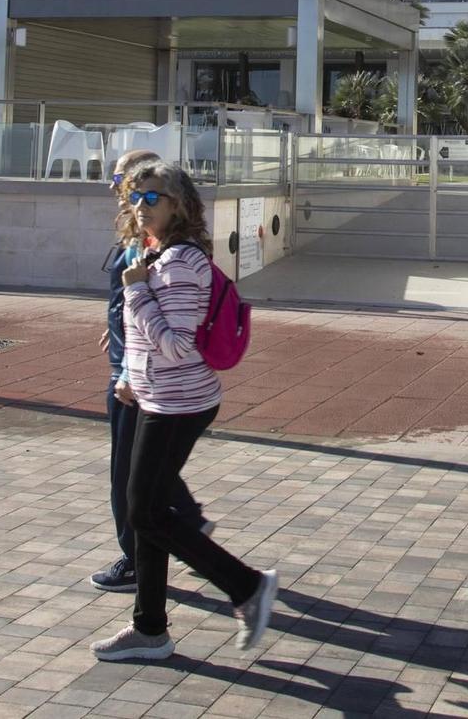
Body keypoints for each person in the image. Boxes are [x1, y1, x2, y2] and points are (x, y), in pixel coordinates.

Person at [91, 162, 279, 662]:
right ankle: (150, 629)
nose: (139, 207)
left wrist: (134, 289)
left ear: (177, 203)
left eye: (151, 198)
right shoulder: (159, 254)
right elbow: (148, 338)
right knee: (149, 513)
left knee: (144, 511)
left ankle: (247, 587)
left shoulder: (178, 263)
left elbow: (176, 346)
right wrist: (130, 377)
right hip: (159, 397)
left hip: (179, 404)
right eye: (135, 197)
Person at [90, 148, 205, 593]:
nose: (130, 198)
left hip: (140, 379)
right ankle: (183, 543)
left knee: (133, 488)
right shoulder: (142, 234)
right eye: (125, 188)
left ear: (173, 199)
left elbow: (173, 333)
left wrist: (128, 365)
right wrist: (119, 326)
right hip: (132, 369)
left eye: (144, 192)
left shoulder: (170, 251)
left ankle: (145, 561)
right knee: (145, 482)